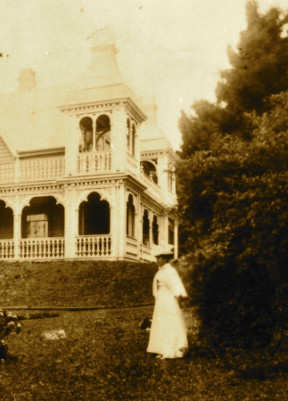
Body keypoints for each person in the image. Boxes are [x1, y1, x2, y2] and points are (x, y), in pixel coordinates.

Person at [147, 243, 188, 359]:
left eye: (159, 258)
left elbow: (176, 286)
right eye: (157, 258)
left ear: (165, 258)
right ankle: (161, 348)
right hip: (161, 299)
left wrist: (178, 296)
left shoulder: (169, 270)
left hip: (168, 299)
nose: (157, 260)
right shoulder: (161, 271)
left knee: (169, 321)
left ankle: (171, 349)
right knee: (161, 322)